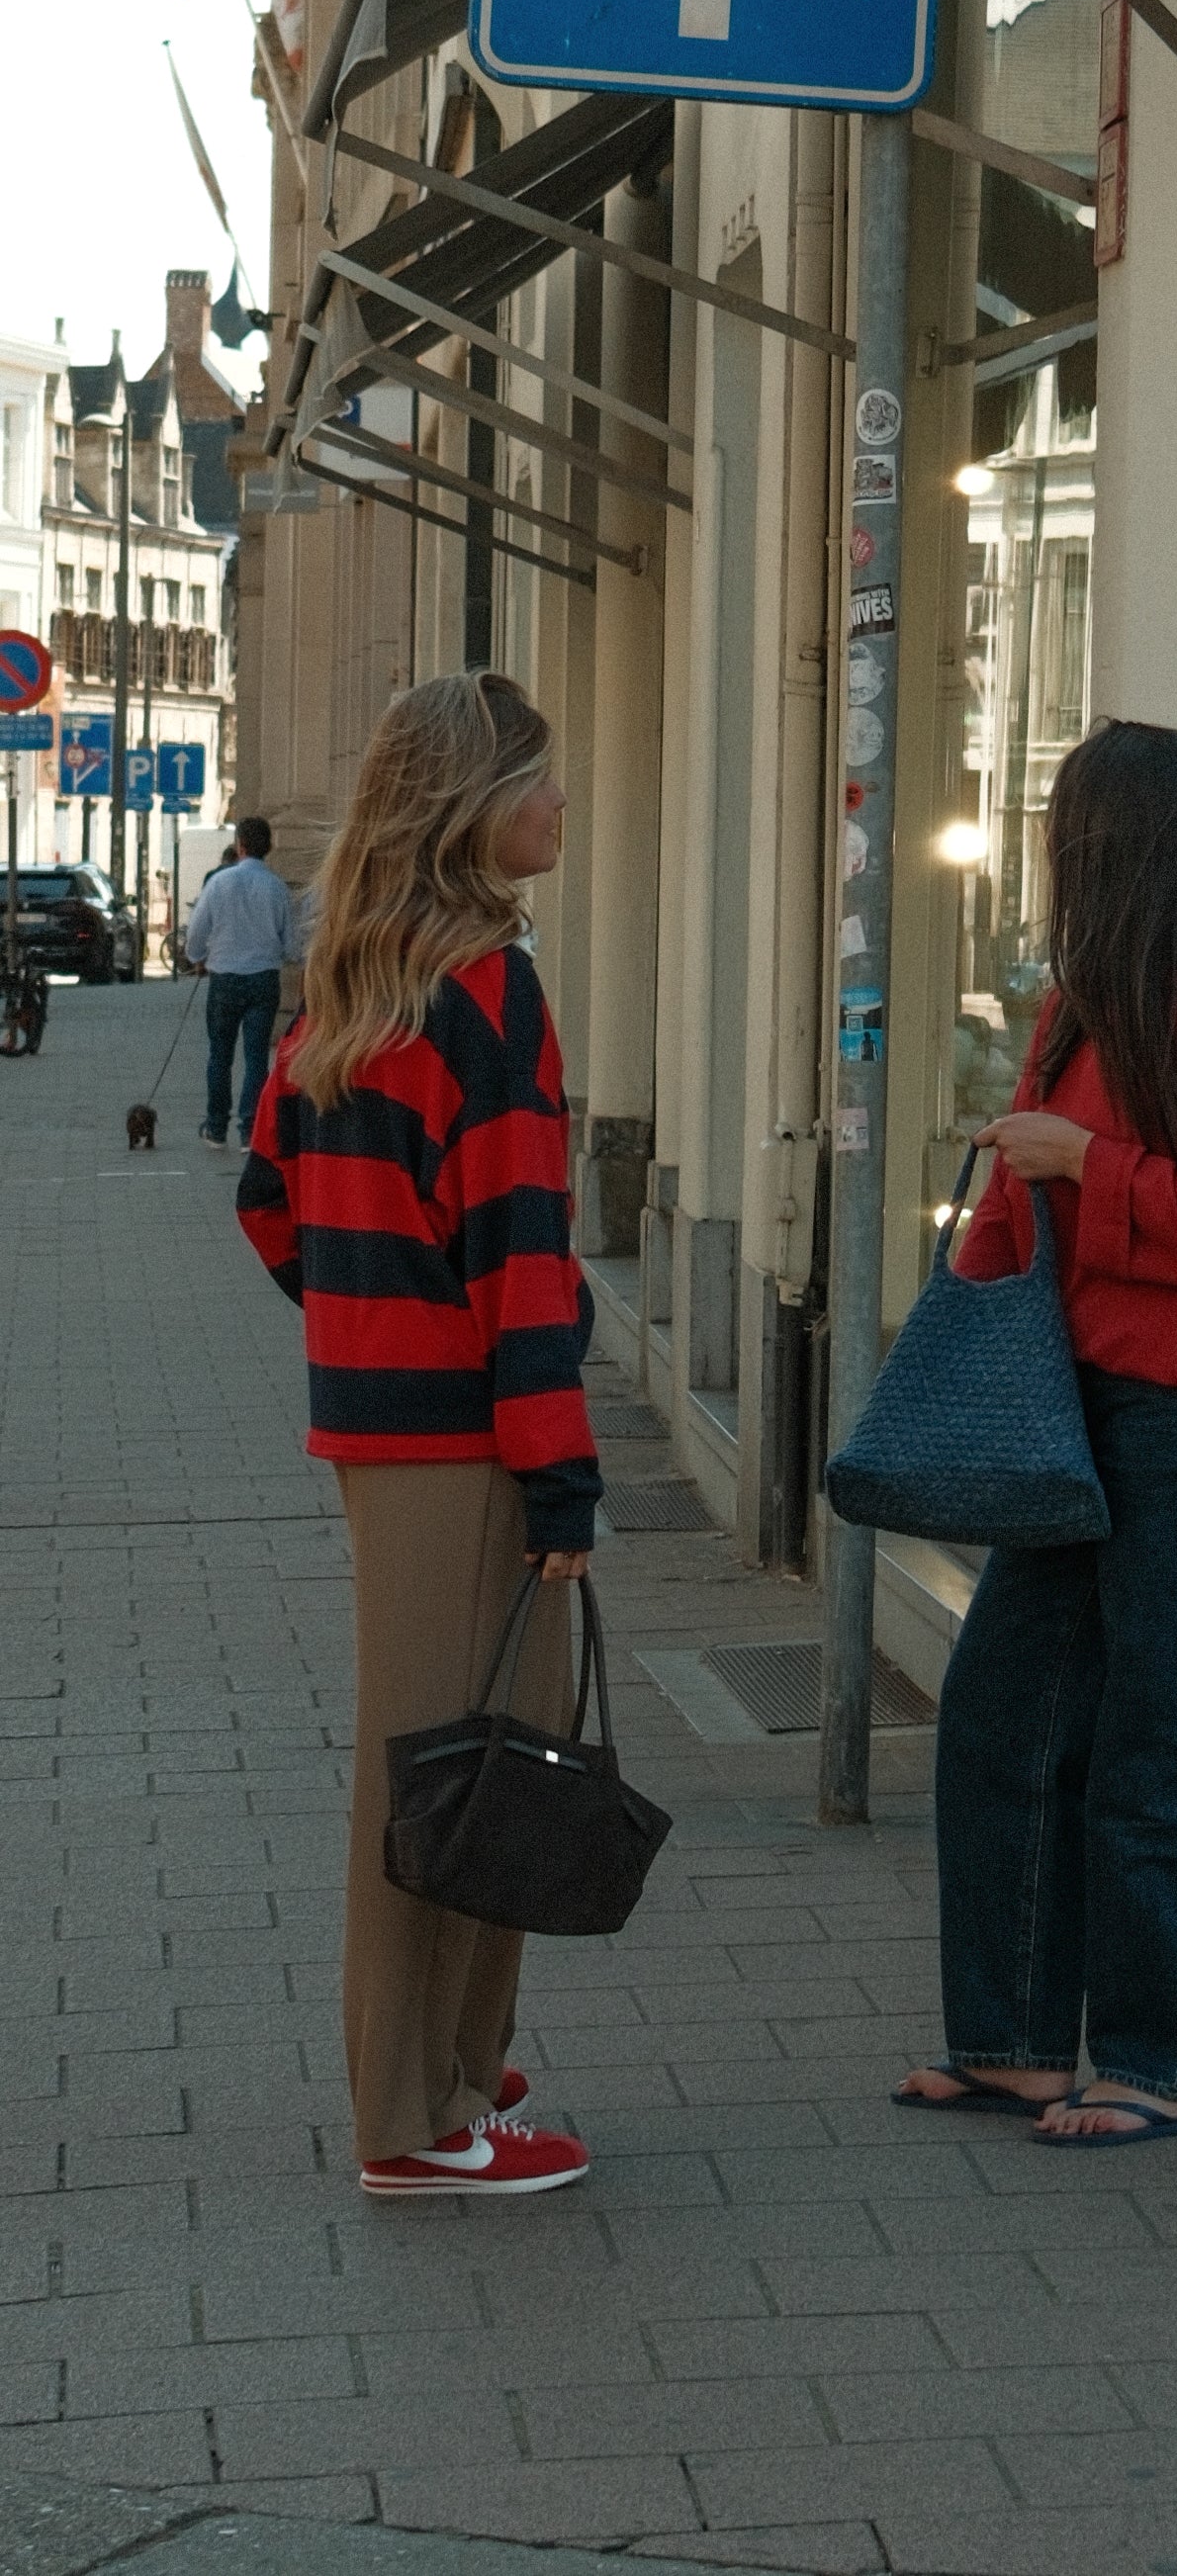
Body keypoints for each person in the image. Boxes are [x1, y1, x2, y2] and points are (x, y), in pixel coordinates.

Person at [896, 720, 1177, 2145]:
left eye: (1064, 821)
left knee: (1163, 1749)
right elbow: (1028, 1220)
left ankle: (1160, 2061)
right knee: (1000, 1721)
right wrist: (961, 1335)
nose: (1048, 845)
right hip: (1077, 1414)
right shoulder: (1080, 1007)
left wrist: (1087, 1162)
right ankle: (1016, 2039)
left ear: (1106, 842)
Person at [236, 671, 600, 2199]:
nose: (558, 804)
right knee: (453, 1769)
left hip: (385, 1430)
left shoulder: (355, 980)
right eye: (536, 779)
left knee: (471, 1755)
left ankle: (459, 2061)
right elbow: (520, 1257)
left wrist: (366, 1315)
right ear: (471, 806)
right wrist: (560, 1464)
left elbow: (268, 1203)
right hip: (471, 1438)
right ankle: (414, 2115)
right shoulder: (488, 990)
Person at [185, 815, 297, 1146]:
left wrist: (196, 958)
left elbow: (196, 931)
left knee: (220, 1054)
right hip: (263, 979)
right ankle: (251, 1130)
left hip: (224, 979)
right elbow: (291, 943)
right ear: (269, 848)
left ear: (240, 845)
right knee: (256, 1056)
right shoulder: (276, 887)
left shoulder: (219, 882)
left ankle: (216, 1127)